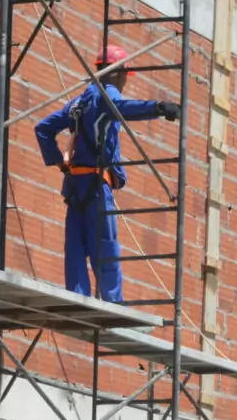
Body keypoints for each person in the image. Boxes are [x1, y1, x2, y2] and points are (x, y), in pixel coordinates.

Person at [34, 46, 180, 303]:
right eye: (125, 76)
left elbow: (43, 128)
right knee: (106, 246)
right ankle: (113, 303)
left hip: (75, 185)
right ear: (118, 73)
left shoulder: (78, 102)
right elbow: (125, 107)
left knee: (76, 246)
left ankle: (77, 297)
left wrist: (59, 163)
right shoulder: (105, 95)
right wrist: (159, 107)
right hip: (96, 186)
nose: (125, 82)